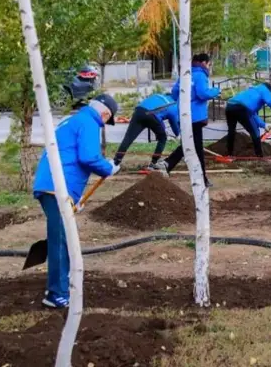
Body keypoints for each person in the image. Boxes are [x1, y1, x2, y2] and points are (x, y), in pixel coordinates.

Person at [33, 94, 121, 309]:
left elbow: (68, 156)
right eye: (106, 120)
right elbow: (88, 157)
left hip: (54, 186)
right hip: (56, 187)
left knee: (65, 239)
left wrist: (73, 198)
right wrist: (109, 167)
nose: (104, 124)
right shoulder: (90, 122)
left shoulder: (74, 120)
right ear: (105, 113)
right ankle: (56, 295)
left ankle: (64, 286)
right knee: (61, 241)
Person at [163, 53, 220, 186]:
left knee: (190, 145)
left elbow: (175, 92)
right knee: (195, 147)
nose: (209, 67)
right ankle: (169, 164)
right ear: (204, 62)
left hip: (183, 114)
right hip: (196, 117)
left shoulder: (185, 74)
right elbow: (202, 93)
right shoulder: (201, 75)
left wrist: (186, 100)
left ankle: (169, 164)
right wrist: (216, 91)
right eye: (209, 64)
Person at [113, 93, 179, 172]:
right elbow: (175, 126)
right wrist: (178, 135)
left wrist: (162, 129)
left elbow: (159, 117)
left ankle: (115, 162)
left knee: (128, 138)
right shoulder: (174, 106)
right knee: (163, 138)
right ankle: (153, 163)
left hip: (139, 111)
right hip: (151, 115)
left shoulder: (158, 95)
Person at [225, 82, 271, 157]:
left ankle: (229, 154)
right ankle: (259, 157)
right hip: (241, 108)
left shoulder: (252, 91)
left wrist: (264, 125)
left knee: (231, 130)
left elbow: (253, 114)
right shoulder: (264, 89)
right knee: (255, 132)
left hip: (230, 105)